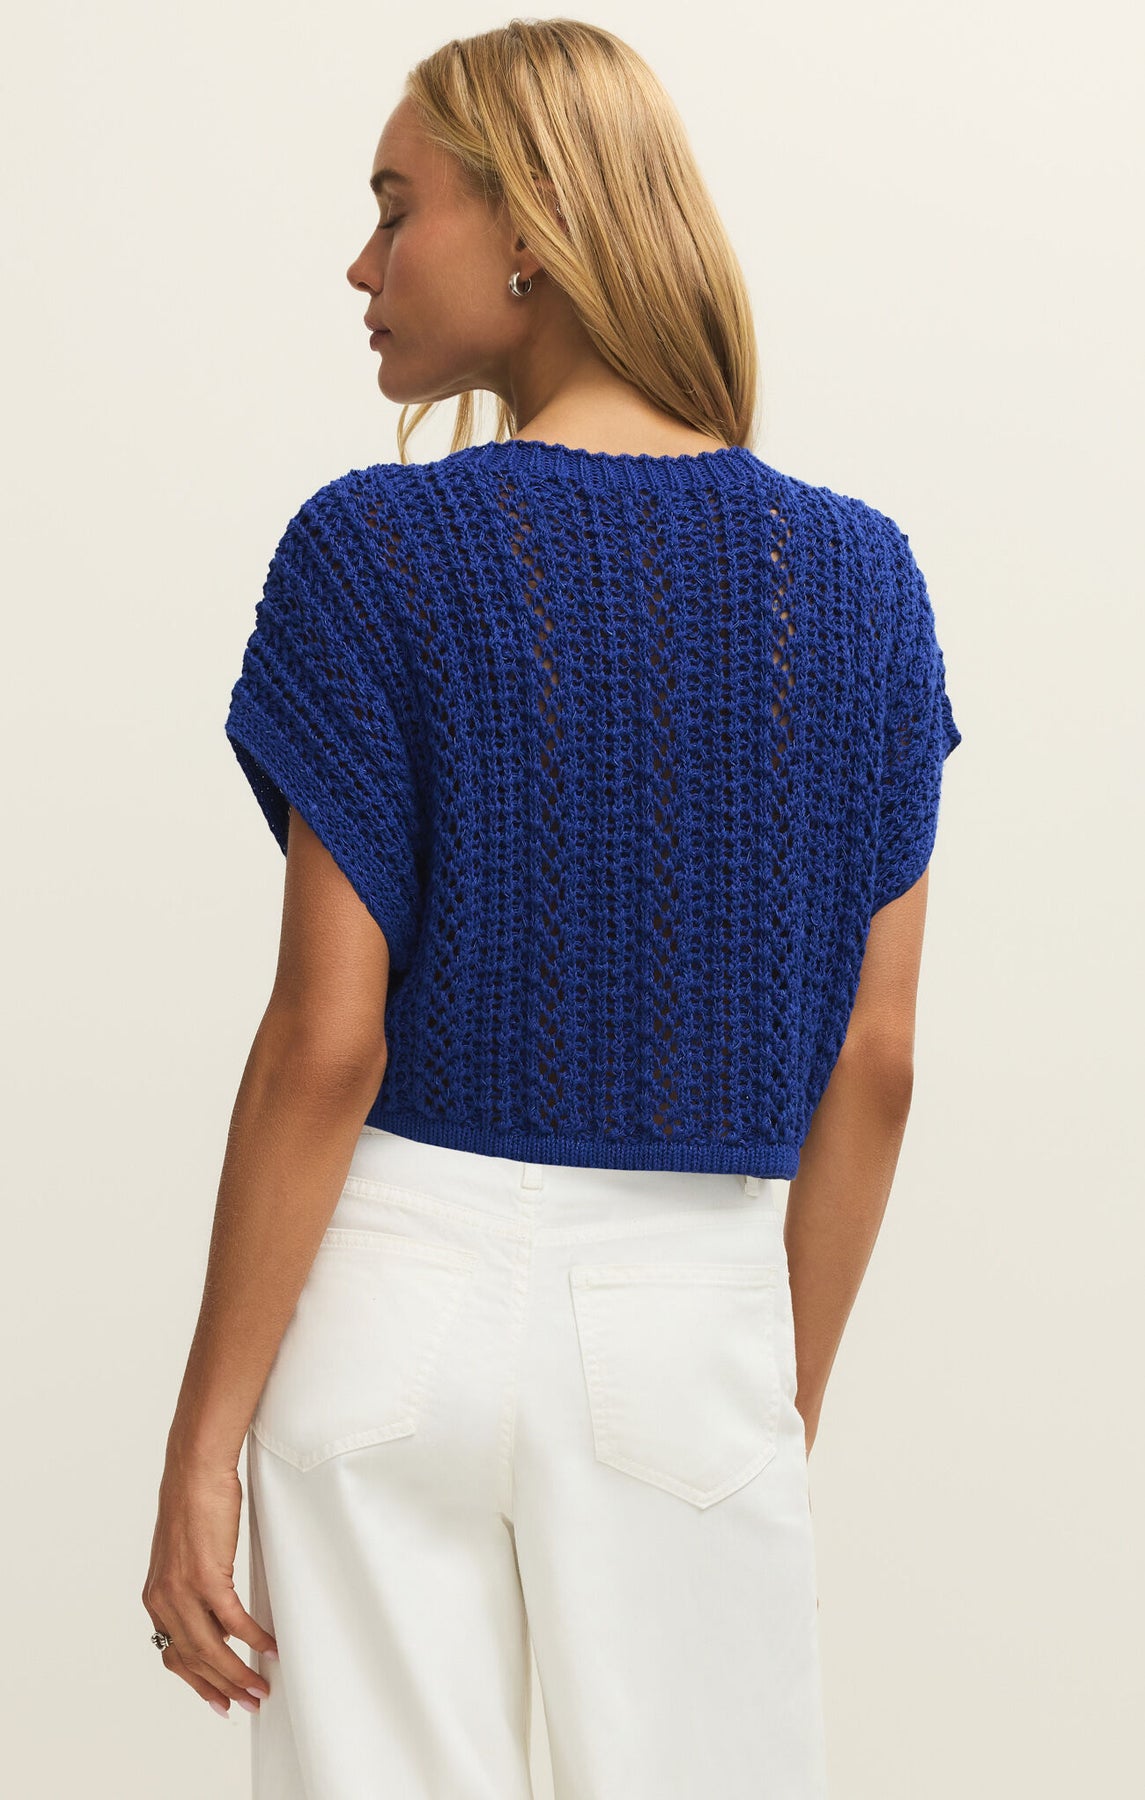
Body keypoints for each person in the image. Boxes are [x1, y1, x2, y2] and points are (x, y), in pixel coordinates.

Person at [142, 19, 962, 1800]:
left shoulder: (371, 548)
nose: (360, 263)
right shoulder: (860, 579)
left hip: (388, 1291)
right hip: (687, 1305)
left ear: (528, 226)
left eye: (394, 207)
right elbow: (877, 1062)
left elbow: (326, 1041)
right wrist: (769, 1402)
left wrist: (202, 1441)